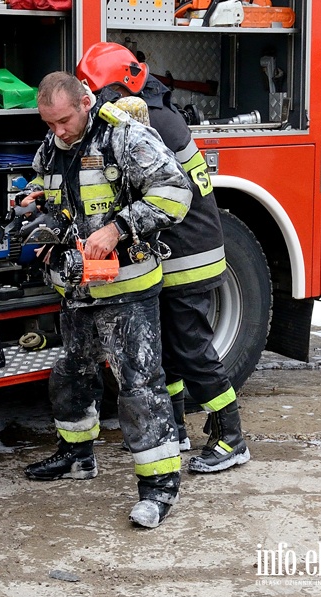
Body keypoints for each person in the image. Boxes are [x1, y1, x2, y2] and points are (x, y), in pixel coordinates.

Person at [21, 71, 193, 528]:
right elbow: (48, 190)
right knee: (70, 376)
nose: (57, 131)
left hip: (128, 289)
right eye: (49, 123)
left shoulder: (126, 136)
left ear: (84, 101)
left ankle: (159, 488)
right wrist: (34, 209)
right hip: (78, 288)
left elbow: (177, 192)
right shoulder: (53, 144)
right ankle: (77, 456)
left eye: (63, 120)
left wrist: (118, 227)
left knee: (139, 389)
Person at [76, 43, 251, 473]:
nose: (92, 100)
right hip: (175, 249)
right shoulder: (148, 112)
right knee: (165, 350)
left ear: (122, 88)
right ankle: (172, 428)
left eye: (96, 91)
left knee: (189, 349)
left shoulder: (144, 122)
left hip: (188, 253)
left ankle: (231, 436)